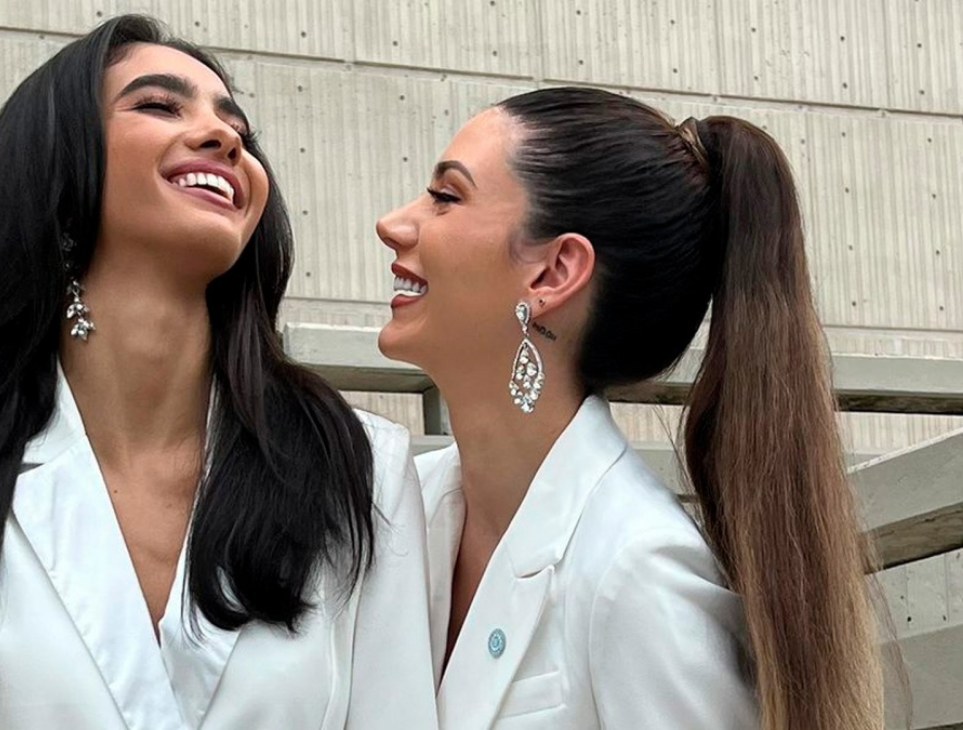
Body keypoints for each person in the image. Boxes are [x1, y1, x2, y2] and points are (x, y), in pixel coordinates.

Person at [0, 15, 436, 730]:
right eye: (158, 105)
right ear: (57, 169)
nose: (225, 137)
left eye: (235, 123)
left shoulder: (357, 465)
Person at [375, 86, 884, 729]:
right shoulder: (392, 512)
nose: (393, 223)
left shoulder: (637, 577)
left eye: (446, 197)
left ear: (555, 272)